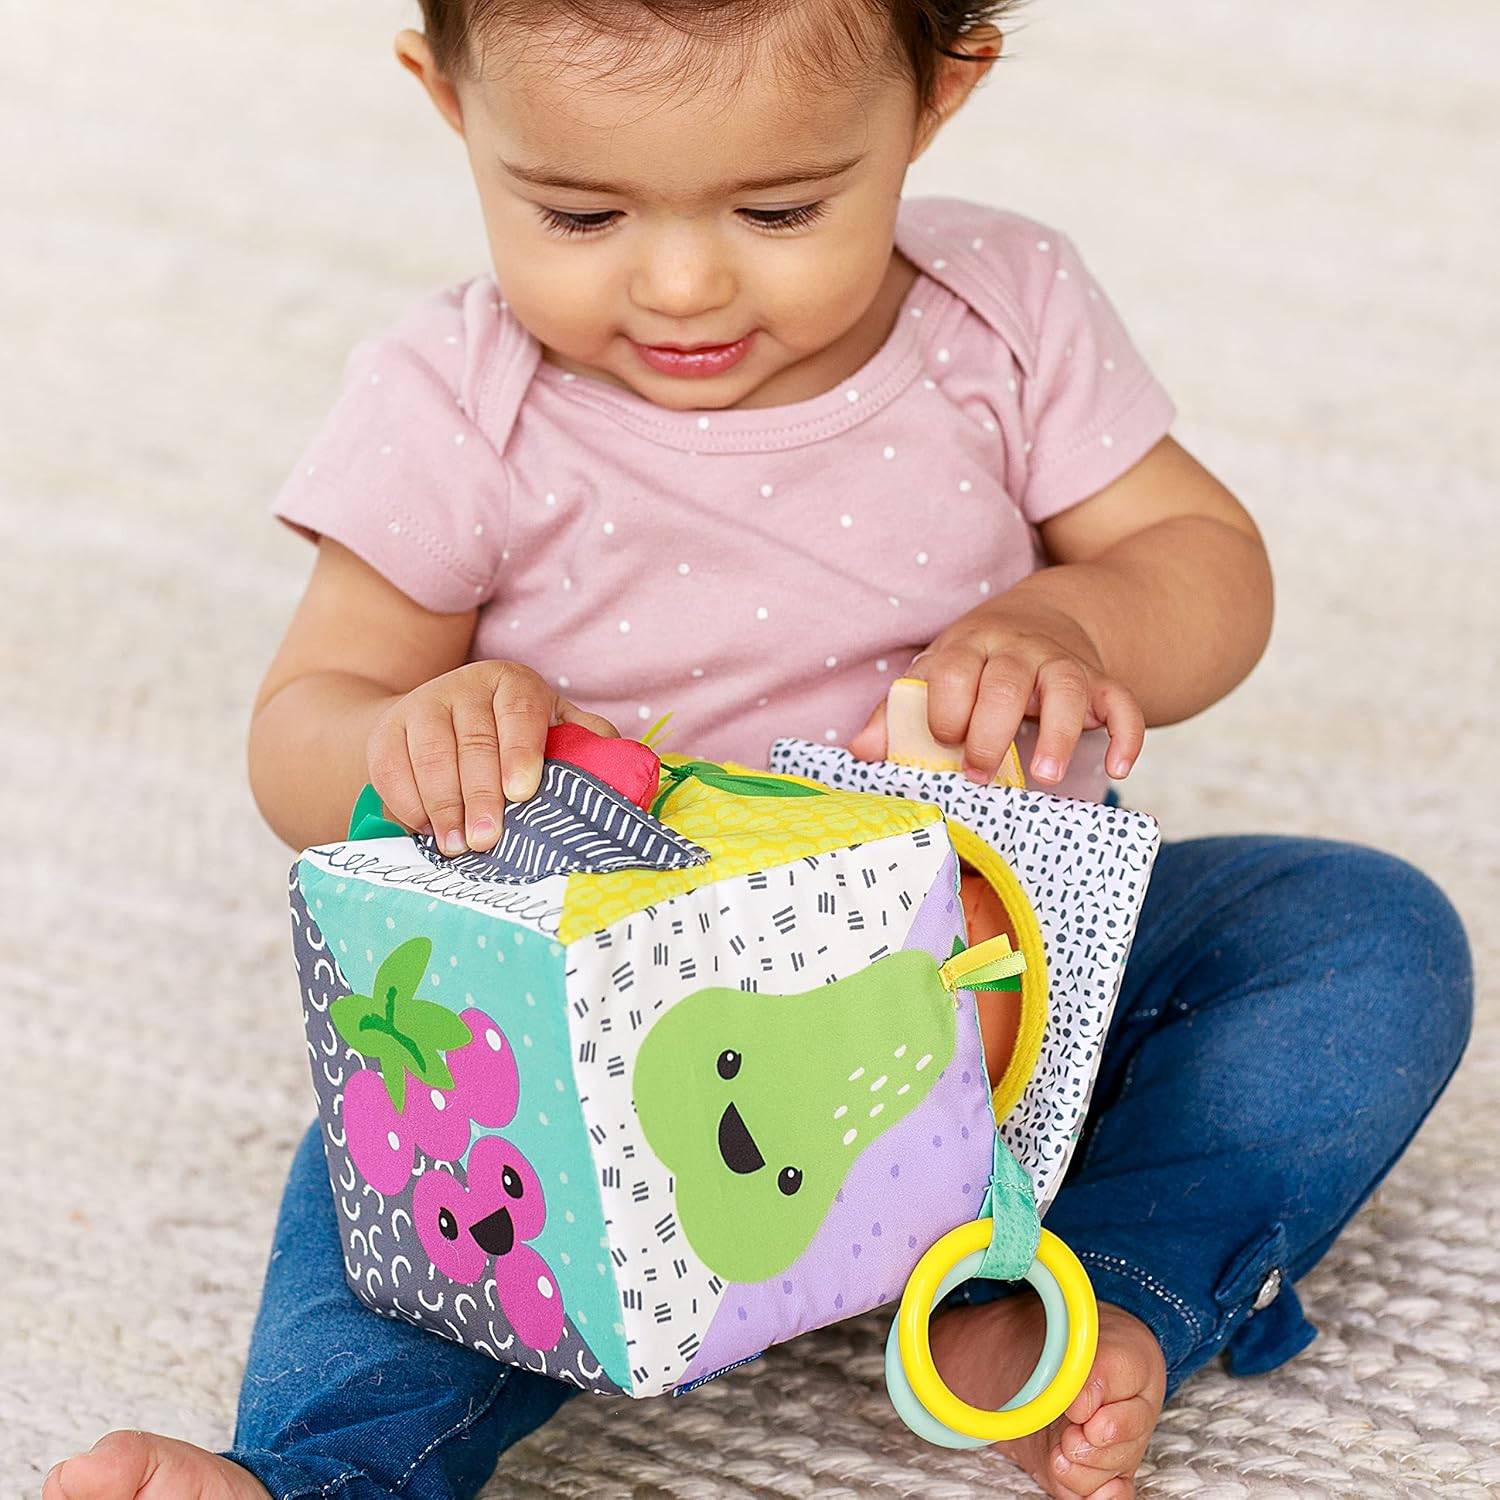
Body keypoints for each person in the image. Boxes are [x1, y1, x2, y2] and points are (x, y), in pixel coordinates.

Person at [45, 2, 1472, 1497]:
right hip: (601, 1079)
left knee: (1357, 937)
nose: (681, 284)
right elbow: (298, 730)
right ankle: (320, 1474)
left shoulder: (1002, 314)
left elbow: (1209, 563)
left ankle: (1074, 1294)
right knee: (406, 1154)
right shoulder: (456, 403)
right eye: (579, 213)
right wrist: (411, 733)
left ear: (941, 91)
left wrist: (1071, 618)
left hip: (1002, 1008)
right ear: (451, 100)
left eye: (781, 210)